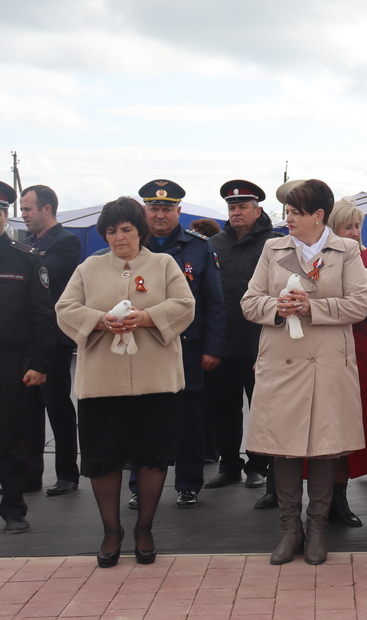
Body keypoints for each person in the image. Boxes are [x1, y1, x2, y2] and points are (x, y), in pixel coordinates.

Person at [56, 196, 196, 565]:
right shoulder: (88, 267)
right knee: (103, 457)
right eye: (111, 231)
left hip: (156, 382)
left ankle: (144, 529)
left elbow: (185, 305)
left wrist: (146, 318)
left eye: (126, 229)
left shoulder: (163, 264)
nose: (119, 237)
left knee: (152, 457)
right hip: (102, 384)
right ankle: (111, 531)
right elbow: (65, 309)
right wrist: (100, 320)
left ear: (140, 231)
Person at [241, 179, 367, 566]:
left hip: (328, 362)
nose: (289, 219)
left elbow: (360, 304)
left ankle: (316, 528)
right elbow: (250, 301)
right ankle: (289, 529)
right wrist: (277, 306)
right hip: (281, 360)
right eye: (288, 212)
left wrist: (312, 307)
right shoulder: (273, 248)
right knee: (282, 446)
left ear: (319, 215)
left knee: (324, 447)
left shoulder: (347, 250)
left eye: (297, 212)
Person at [130, 180, 226, 511]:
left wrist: (213, 348)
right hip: (142, 349)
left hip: (188, 350)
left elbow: (214, 303)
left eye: (167, 209)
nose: (160, 215)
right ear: (144, 211)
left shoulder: (199, 248)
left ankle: (187, 485)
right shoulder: (133, 246)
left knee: (189, 422)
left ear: (179, 211)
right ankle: (138, 486)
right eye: (154, 208)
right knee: (142, 420)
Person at [204, 181, 276, 498]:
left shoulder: (273, 244)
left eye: (243, 207)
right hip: (223, 342)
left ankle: (258, 466)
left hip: (261, 342)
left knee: (260, 408)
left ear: (257, 211)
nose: (236, 212)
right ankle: (229, 465)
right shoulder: (213, 244)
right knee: (224, 408)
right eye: (232, 207)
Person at [19, 184, 81, 496]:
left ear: (47, 209)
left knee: (57, 407)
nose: (23, 214)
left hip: (54, 338)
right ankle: (30, 475)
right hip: (26, 339)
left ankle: (68, 473)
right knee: (28, 412)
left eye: (27, 208)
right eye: (21, 209)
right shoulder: (27, 243)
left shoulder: (65, 241)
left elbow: (43, 275)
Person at [0, 182, 53, 534]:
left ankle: (13, 508)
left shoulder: (26, 258)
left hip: (10, 360)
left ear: (5, 215)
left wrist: (40, 363)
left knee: (10, 437)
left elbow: (42, 316)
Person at [327, 198, 367, 526]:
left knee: (352, 426)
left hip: (360, 348)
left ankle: (340, 497)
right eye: (347, 226)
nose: (354, 231)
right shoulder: (321, 257)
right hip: (329, 345)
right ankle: (321, 500)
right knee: (327, 425)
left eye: (357, 225)